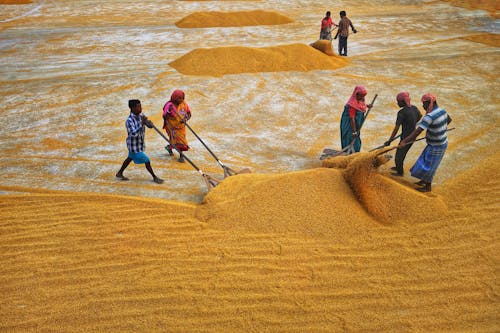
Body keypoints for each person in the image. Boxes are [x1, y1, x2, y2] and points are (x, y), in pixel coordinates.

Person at [399, 93, 452, 192]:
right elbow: (448, 120)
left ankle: (428, 187)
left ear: (428, 103)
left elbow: (417, 132)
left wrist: (404, 141)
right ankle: (423, 180)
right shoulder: (442, 111)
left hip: (437, 145)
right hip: (439, 142)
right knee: (423, 161)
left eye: (423, 104)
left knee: (430, 166)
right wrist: (439, 129)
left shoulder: (429, 117)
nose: (423, 106)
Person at [116, 99, 164, 184]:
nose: (140, 109)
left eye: (140, 106)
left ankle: (119, 173)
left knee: (129, 158)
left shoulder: (141, 115)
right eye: (138, 107)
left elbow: (146, 123)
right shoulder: (129, 121)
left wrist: (149, 123)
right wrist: (142, 124)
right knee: (147, 160)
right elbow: (133, 133)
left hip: (139, 143)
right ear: (132, 108)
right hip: (134, 146)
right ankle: (154, 177)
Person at [384, 92, 422, 176]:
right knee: (401, 153)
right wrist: (412, 123)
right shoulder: (414, 108)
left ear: (403, 102)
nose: (397, 103)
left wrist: (389, 140)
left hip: (406, 137)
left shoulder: (401, 113)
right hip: (412, 135)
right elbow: (420, 115)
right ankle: (398, 167)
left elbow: (396, 128)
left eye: (398, 102)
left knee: (399, 156)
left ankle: (400, 172)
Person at [340, 85, 373, 153]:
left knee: (356, 141)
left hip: (356, 125)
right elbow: (352, 119)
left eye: (363, 96)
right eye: (360, 96)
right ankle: (348, 154)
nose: (362, 97)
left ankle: (354, 153)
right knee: (349, 139)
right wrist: (354, 131)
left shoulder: (361, 99)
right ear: (356, 94)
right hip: (350, 125)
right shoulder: (352, 105)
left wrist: (367, 106)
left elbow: (360, 105)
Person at [162, 89, 191, 163]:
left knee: (182, 142)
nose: (181, 100)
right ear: (174, 98)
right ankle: (181, 156)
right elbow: (164, 117)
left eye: (182, 98)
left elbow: (189, 113)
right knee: (177, 141)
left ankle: (170, 148)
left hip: (181, 127)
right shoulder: (169, 105)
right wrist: (169, 112)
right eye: (179, 98)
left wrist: (185, 119)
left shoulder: (184, 104)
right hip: (172, 127)